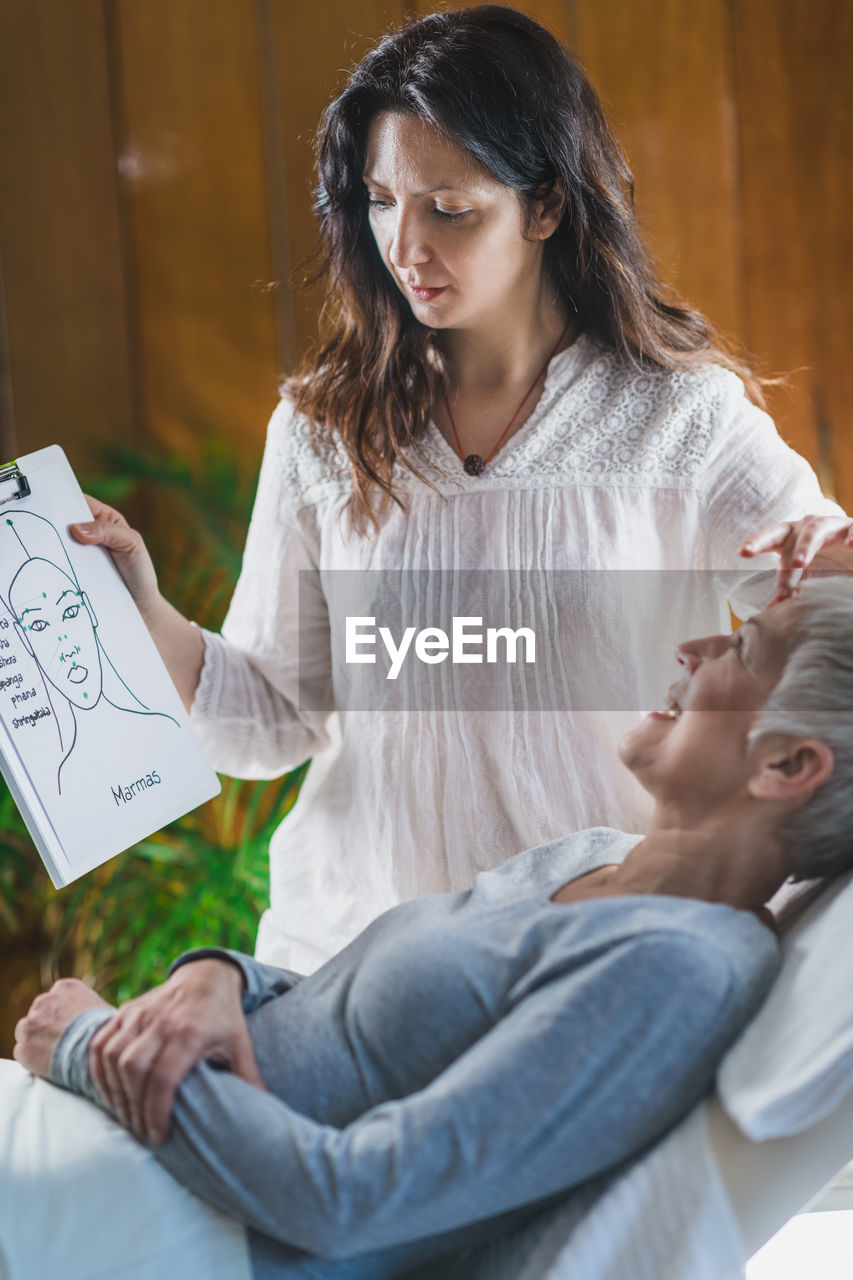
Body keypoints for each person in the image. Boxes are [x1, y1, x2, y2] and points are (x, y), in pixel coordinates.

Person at [67, 5, 852, 978]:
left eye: (449, 208)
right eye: (381, 201)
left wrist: (830, 558)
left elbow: (827, 616)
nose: (405, 246)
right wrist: (146, 613)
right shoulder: (321, 429)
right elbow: (271, 717)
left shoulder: (682, 423)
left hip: (587, 960)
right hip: (350, 963)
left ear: (547, 205)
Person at [7, 577, 853, 1278]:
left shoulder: (680, 968)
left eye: (742, 648)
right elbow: (345, 1015)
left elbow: (352, 1203)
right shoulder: (594, 858)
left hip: (150, 1221)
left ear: (785, 765)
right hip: (105, 1150)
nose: (695, 649)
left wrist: (86, 1045)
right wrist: (214, 978)